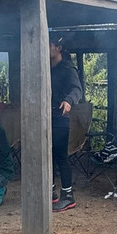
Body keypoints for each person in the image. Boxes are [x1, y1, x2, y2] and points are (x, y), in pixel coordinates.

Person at [49, 37, 83, 212]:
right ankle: (50, 192)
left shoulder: (68, 68)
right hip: (45, 116)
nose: (45, 48)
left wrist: (69, 101)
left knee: (61, 156)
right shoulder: (45, 66)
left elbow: (77, 89)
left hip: (61, 116)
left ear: (59, 48)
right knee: (47, 155)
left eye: (48, 45)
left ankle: (68, 196)